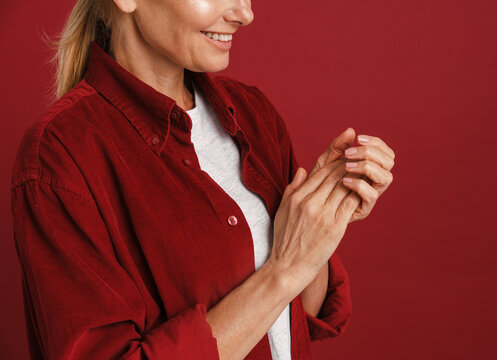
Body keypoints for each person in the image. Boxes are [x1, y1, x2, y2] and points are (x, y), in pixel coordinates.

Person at [10, 0, 396, 359]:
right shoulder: (59, 156)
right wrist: (284, 269)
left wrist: (324, 212)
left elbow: (298, 316)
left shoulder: (253, 113)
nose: (245, 14)